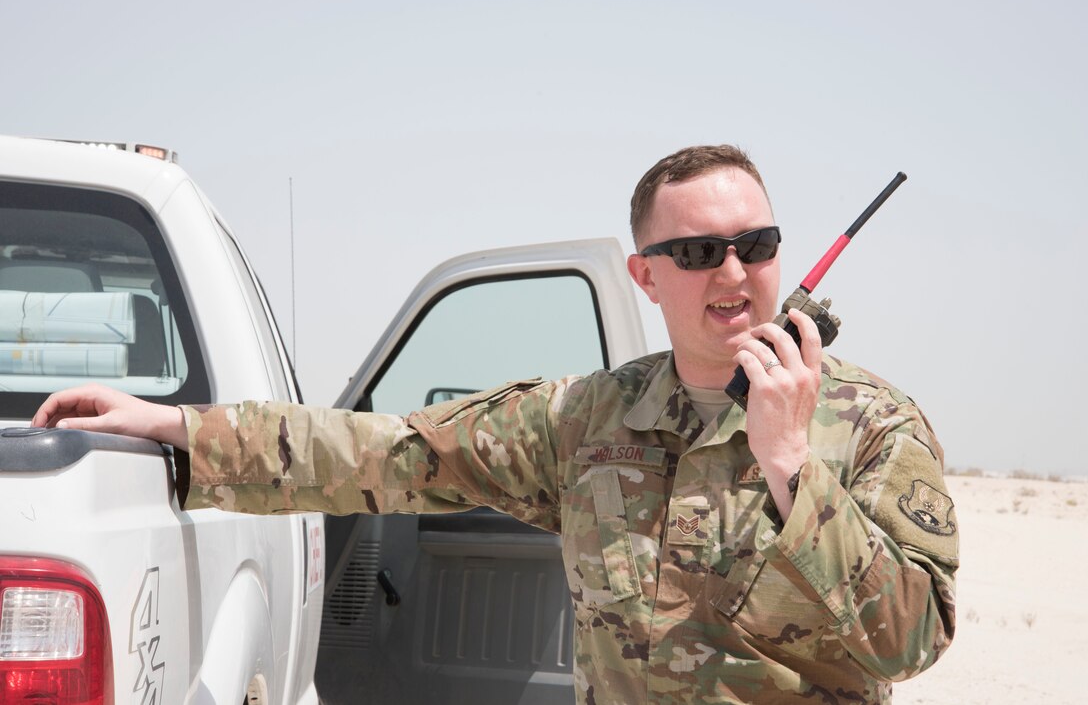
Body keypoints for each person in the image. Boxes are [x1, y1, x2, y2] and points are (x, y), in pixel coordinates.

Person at [34, 144, 957, 704]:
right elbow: (386, 453)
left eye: (754, 245)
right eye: (697, 251)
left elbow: (910, 642)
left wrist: (792, 465)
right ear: (646, 275)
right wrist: (179, 428)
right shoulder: (585, 418)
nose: (733, 272)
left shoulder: (871, 425)